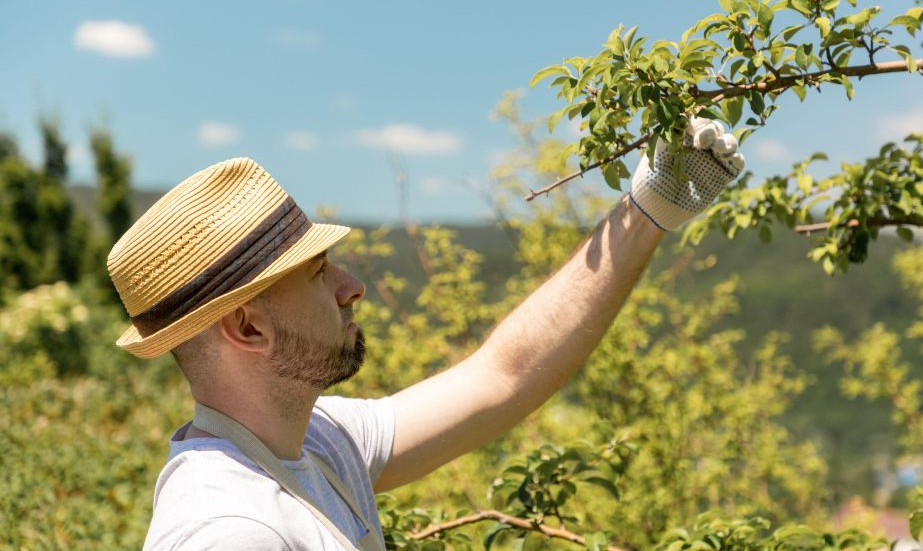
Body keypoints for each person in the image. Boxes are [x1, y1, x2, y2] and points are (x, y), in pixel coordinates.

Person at [107, 118, 743, 550]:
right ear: (247, 327)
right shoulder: (229, 529)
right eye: (318, 272)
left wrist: (648, 210)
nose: (352, 286)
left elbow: (504, 376)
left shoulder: (319, 442)